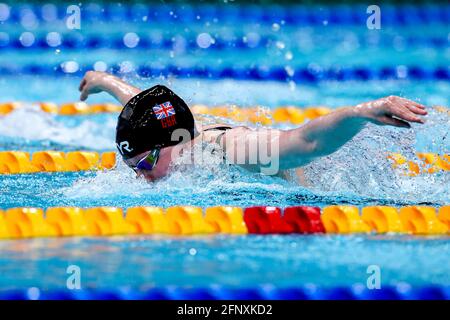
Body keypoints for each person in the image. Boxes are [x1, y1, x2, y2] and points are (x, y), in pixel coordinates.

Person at [78, 71, 427, 182]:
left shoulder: (232, 151)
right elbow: (145, 107)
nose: (141, 176)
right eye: (134, 166)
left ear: (175, 143)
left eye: (145, 164)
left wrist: (362, 112)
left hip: (327, 181)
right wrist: (104, 81)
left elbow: (306, 142)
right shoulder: (180, 138)